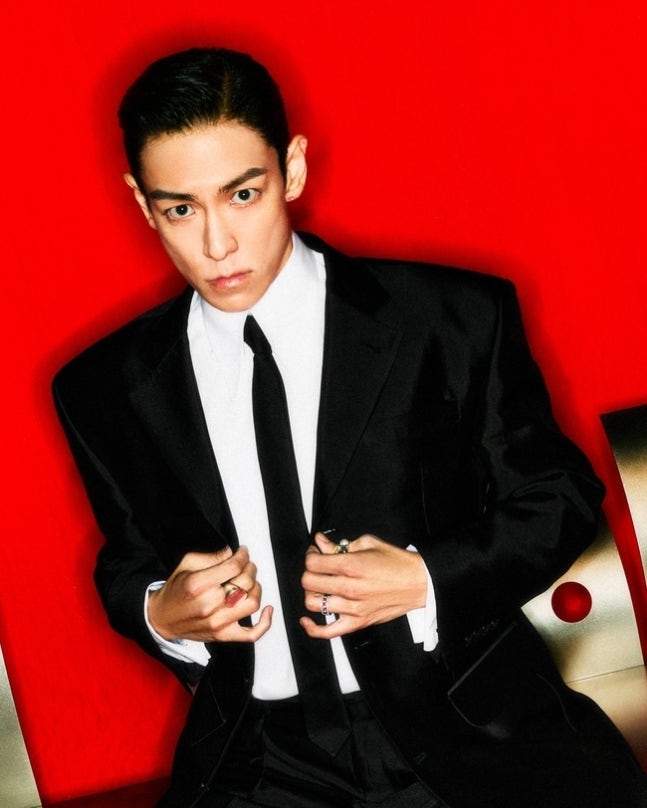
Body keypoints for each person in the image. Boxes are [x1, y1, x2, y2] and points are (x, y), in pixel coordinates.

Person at [52, 47, 647, 808]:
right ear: (142, 203)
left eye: (242, 194)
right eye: (180, 209)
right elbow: (128, 557)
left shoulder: (449, 319)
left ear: (292, 169)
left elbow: (559, 496)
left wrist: (426, 576)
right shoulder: (103, 387)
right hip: (258, 762)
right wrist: (159, 610)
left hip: (465, 735)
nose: (216, 244)